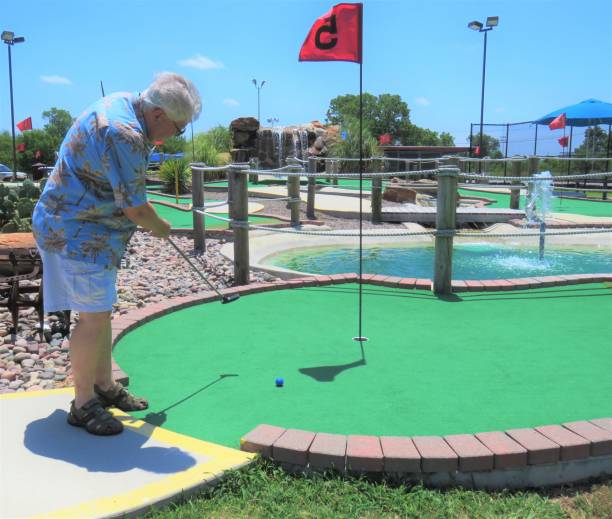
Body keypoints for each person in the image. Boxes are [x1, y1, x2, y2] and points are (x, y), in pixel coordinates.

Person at [32, 72, 202, 435]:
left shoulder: (127, 102)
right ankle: (82, 405)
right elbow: (136, 210)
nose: (177, 135)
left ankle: (105, 386)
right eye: (179, 127)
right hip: (74, 232)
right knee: (92, 319)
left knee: (101, 312)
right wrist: (160, 227)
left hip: (87, 228)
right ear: (158, 115)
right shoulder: (123, 132)